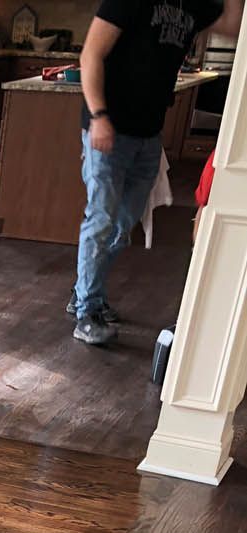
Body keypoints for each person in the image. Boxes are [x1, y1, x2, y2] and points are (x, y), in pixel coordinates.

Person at [70, 0, 243, 345]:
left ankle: (83, 293)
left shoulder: (194, 5)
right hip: (109, 127)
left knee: (123, 223)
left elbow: (235, 27)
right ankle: (87, 312)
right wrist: (99, 116)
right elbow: (90, 55)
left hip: (148, 134)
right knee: (102, 219)